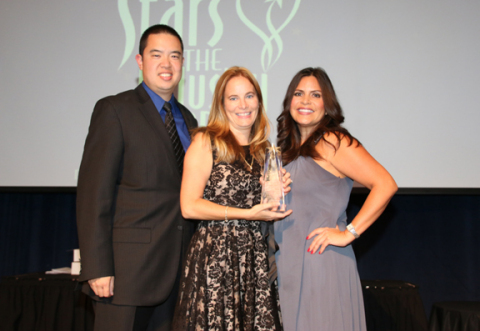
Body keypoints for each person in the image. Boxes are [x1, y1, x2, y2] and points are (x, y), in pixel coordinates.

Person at [76, 24, 197, 331]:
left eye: (175, 56)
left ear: (183, 63)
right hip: (126, 275)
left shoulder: (189, 120)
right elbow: (94, 195)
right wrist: (98, 268)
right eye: (156, 55)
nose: (166, 64)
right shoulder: (115, 110)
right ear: (140, 61)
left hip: (178, 273)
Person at [274, 67, 398, 331]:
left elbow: (385, 184)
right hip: (288, 266)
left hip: (321, 264)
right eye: (299, 93)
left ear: (327, 105)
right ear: (289, 102)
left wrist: (349, 233)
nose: (305, 101)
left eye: (315, 95)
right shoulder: (287, 150)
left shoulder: (332, 141)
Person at [172, 66, 292, 330]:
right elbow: (189, 206)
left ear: (259, 101)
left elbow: (266, 207)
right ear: (222, 104)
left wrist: (278, 189)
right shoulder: (206, 142)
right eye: (233, 98)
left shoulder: (265, 151)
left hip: (254, 259)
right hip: (215, 255)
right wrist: (247, 214)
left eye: (249, 96)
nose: (243, 105)